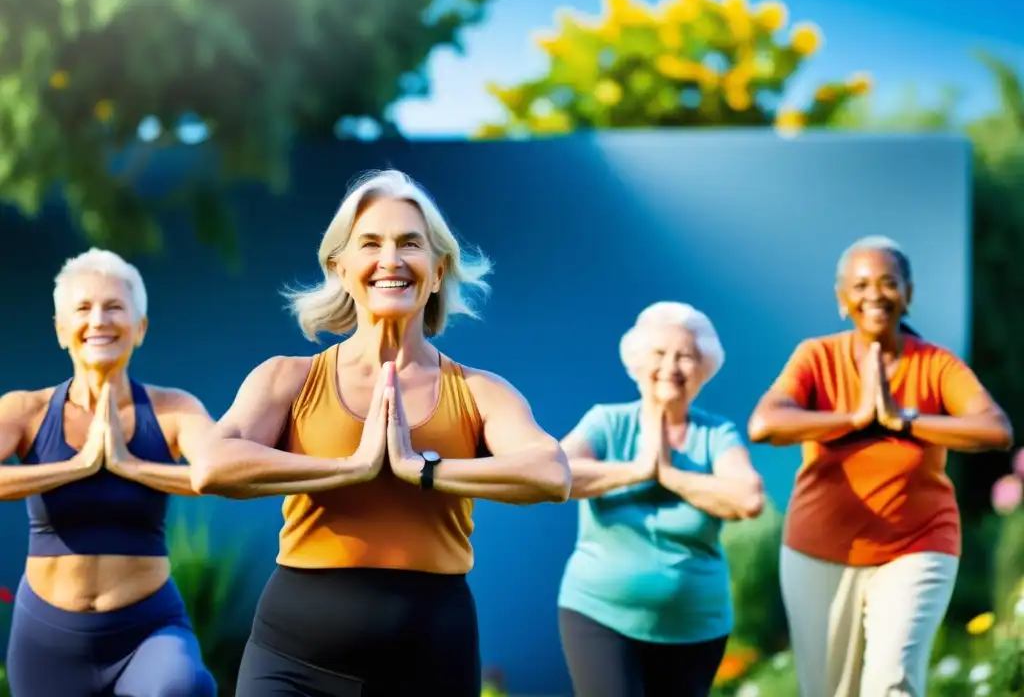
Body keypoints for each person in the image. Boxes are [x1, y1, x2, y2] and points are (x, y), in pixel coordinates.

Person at [189, 169, 572, 697]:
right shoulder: (288, 377)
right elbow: (211, 466)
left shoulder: (481, 391)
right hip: (291, 663)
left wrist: (424, 470)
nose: (390, 260)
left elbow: (551, 473)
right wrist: (349, 468)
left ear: (438, 271)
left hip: (431, 662)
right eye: (371, 243)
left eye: (410, 244)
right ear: (340, 268)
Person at [748, 235, 1013, 697]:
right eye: (861, 284)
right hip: (819, 549)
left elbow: (995, 429)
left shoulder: (936, 365)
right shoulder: (817, 356)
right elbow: (764, 424)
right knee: (829, 690)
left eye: (889, 283)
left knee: (891, 682)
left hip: (918, 543)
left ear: (908, 295)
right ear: (841, 298)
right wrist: (854, 418)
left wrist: (903, 420)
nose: (875, 294)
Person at [0, 248, 217, 697]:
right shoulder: (26, 409)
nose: (99, 320)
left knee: (181, 687)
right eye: (83, 308)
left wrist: (130, 465)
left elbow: (217, 471)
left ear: (139, 329)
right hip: (47, 639)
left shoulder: (174, 408)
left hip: (148, 629)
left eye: (115, 307)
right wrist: (76, 466)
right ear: (62, 331)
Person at [557, 302, 765, 697]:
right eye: (659, 354)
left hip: (696, 627)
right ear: (636, 363)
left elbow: (747, 497)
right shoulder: (607, 421)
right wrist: (637, 469)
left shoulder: (716, 433)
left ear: (703, 370)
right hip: (598, 613)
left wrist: (669, 475)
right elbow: (557, 473)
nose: (671, 366)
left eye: (685, 356)